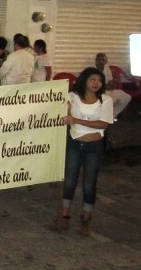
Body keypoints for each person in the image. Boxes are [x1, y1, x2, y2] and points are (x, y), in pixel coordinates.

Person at [46, 67, 113, 236]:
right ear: (84, 80)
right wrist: (66, 112)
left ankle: (86, 219)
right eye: (92, 80)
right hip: (75, 143)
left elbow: (103, 124)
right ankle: (64, 216)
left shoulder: (105, 100)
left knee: (89, 184)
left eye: (99, 80)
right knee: (69, 181)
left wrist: (75, 120)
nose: (96, 84)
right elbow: (61, 113)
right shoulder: (72, 97)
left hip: (94, 146)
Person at [94, 53, 131, 118]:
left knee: (126, 97)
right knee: (110, 100)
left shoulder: (106, 67)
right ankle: (104, 117)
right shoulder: (92, 69)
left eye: (103, 60)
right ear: (96, 60)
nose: (101, 62)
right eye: (99, 60)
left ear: (106, 61)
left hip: (107, 90)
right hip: (97, 92)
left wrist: (112, 85)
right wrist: (104, 87)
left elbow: (110, 80)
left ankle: (112, 115)